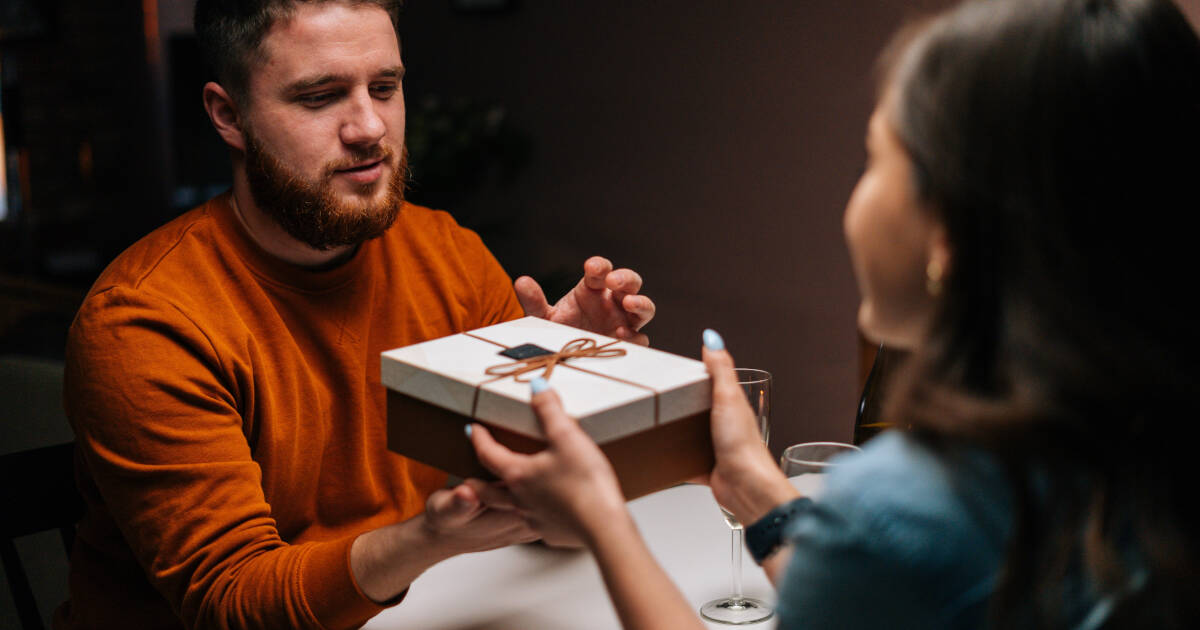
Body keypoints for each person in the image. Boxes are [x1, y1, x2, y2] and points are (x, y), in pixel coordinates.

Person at [469, 0, 1200, 627]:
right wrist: (753, 483)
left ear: (949, 230)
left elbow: (886, 558)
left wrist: (602, 517)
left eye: (875, 158)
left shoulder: (908, 511)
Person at [55, 1, 656, 628]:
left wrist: (577, 397)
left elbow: (548, 526)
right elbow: (231, 604)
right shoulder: (144, 321)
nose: (370, 127)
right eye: (320, 97)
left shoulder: (448, 254)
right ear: (228, 115)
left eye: (385, 87)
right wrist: (427, 540)